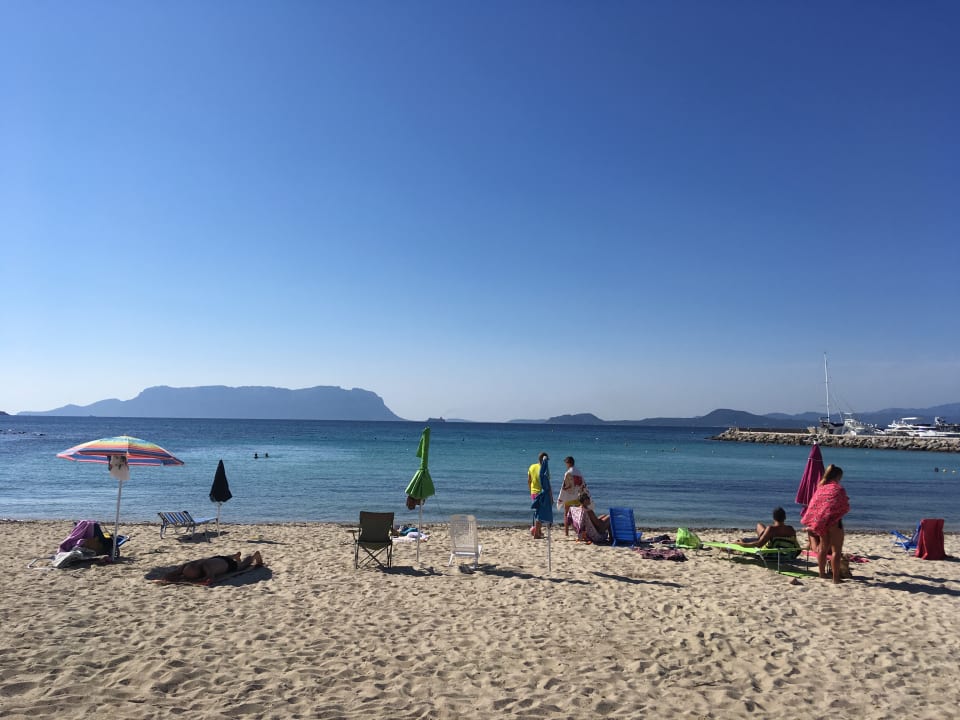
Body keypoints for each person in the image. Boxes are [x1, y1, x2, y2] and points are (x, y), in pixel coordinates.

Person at [801, 464, 849, 583]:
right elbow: (844, 505)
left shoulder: (821, 488)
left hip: (822, 522)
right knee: (836, 550)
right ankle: (836, 578)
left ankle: (822, 574)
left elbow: (815, 506)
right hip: (834, 522)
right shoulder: (838, 489)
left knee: (823, 547)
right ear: (837, 476)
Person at [163, 551, 264, 584]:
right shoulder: (187, 565)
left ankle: (254, 556)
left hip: (227, 564)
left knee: (242, 565)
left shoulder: (206, 567)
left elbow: (210, 579)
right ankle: (234, 556)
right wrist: (169, 578)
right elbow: (171, 574)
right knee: (220, 559)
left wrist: (192, 580)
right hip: (216, 559)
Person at [556, 456, 587, 536]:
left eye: (566, 463)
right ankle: (579, 531)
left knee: (566, 514)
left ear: (569, 463)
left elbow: (565, 486)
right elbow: (583, 484)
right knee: (578, 515)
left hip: (569, 497)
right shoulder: (579, 472)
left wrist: (561, 497)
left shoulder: (568, 473)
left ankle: (566, 533)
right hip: (577, 497)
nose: (566, 465)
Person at [527, 452, 549, 539]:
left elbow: (529, 480)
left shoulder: (532, 467)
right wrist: (550, 496)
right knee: (540, 513)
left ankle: (538, 531)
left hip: (533, 493)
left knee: (537, 512)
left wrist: (531, 491)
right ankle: (537, 533)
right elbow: (547, 484)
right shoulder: (545, 469)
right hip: (541, 493)